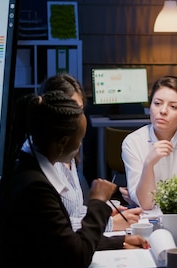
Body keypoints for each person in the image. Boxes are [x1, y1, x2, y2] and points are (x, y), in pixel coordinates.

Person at [0, 91, 149, 268]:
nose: (81, 145)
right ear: (63, 142)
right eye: (80, 139)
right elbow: (74, 257)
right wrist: (97, 202)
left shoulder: (26, 170)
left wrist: (118, 241)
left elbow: (59, 242)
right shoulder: (35, 189)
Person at [36, 73, 141, 231]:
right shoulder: (41, 166)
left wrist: (101, 212)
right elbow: (55, 228)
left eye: (79, 110)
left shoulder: (67, 154)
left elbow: (74, 212)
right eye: (70, 111)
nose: (76, 120)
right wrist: (107, 222)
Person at [122, 75, 177, 210]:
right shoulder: (133, 142)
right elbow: (146, 204)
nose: (163, 111)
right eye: (157, 103)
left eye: (173, 107)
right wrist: (149, 163)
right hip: (147, 223)